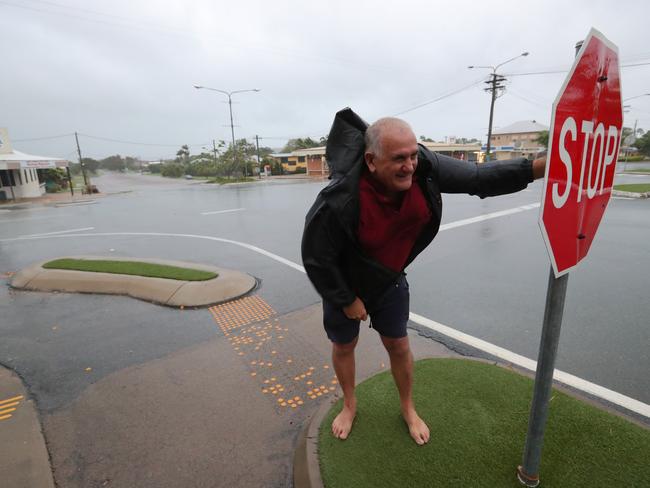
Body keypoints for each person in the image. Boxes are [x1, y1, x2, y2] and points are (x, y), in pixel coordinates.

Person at [301, 109, 545, 445]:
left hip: (389, 280)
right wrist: (346, 299)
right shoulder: (341, 197)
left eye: (413, 155)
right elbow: (316, 258)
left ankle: (408, 408)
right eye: (399, 158)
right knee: (344, 345)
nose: (410, 165)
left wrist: (540, 167)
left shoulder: (425, 169)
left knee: (399, 346)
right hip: (345, 284)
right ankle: (350, 404)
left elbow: (477, 177)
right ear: (371, 161)